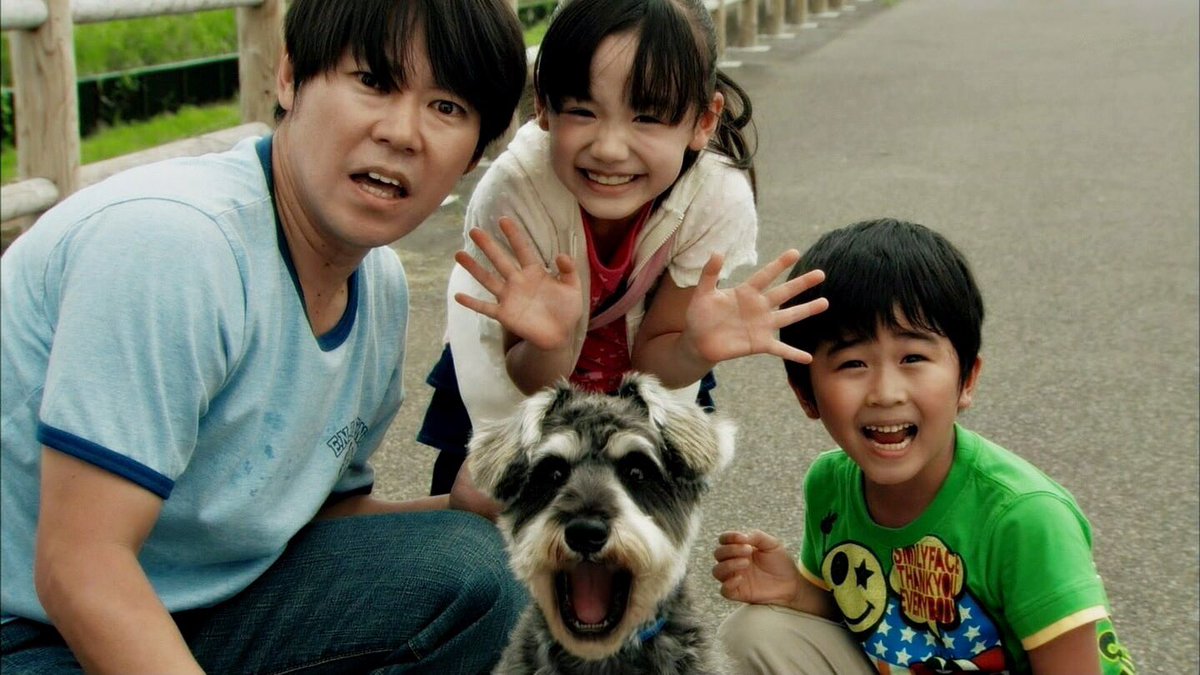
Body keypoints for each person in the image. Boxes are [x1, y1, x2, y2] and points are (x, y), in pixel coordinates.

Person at [0, 1, 530, 672]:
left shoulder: (382, 287)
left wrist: (456, 509)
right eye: (372, 80)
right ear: (289, 78)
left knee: (476, 569)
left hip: (208, 599)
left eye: (447, 107)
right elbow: (80, 566)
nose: (402, 132)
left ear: (474, 152)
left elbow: (306, 522)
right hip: (30, 627)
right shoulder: (176, 246)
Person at [417, 0, 829, 496]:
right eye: (583, 111)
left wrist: (694, 349)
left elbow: (656, 359)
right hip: (513, 366)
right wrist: (550, 343)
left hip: (644, 367)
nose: (610, 148)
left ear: (703, 120)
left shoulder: (716, 197)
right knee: (482, 527)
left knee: (639, 539)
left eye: (648, 117)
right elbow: (524, 376)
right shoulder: (516, 190)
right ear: (543, 105)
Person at [711, 219, 1137, 674]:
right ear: (806, 394)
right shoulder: (830, 483)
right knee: (751, 634)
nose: (886, 392)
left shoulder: (1024, 517)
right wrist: (794, 591)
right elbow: (858, 615)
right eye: (852, 362)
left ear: (967, 380)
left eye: (913, 357)